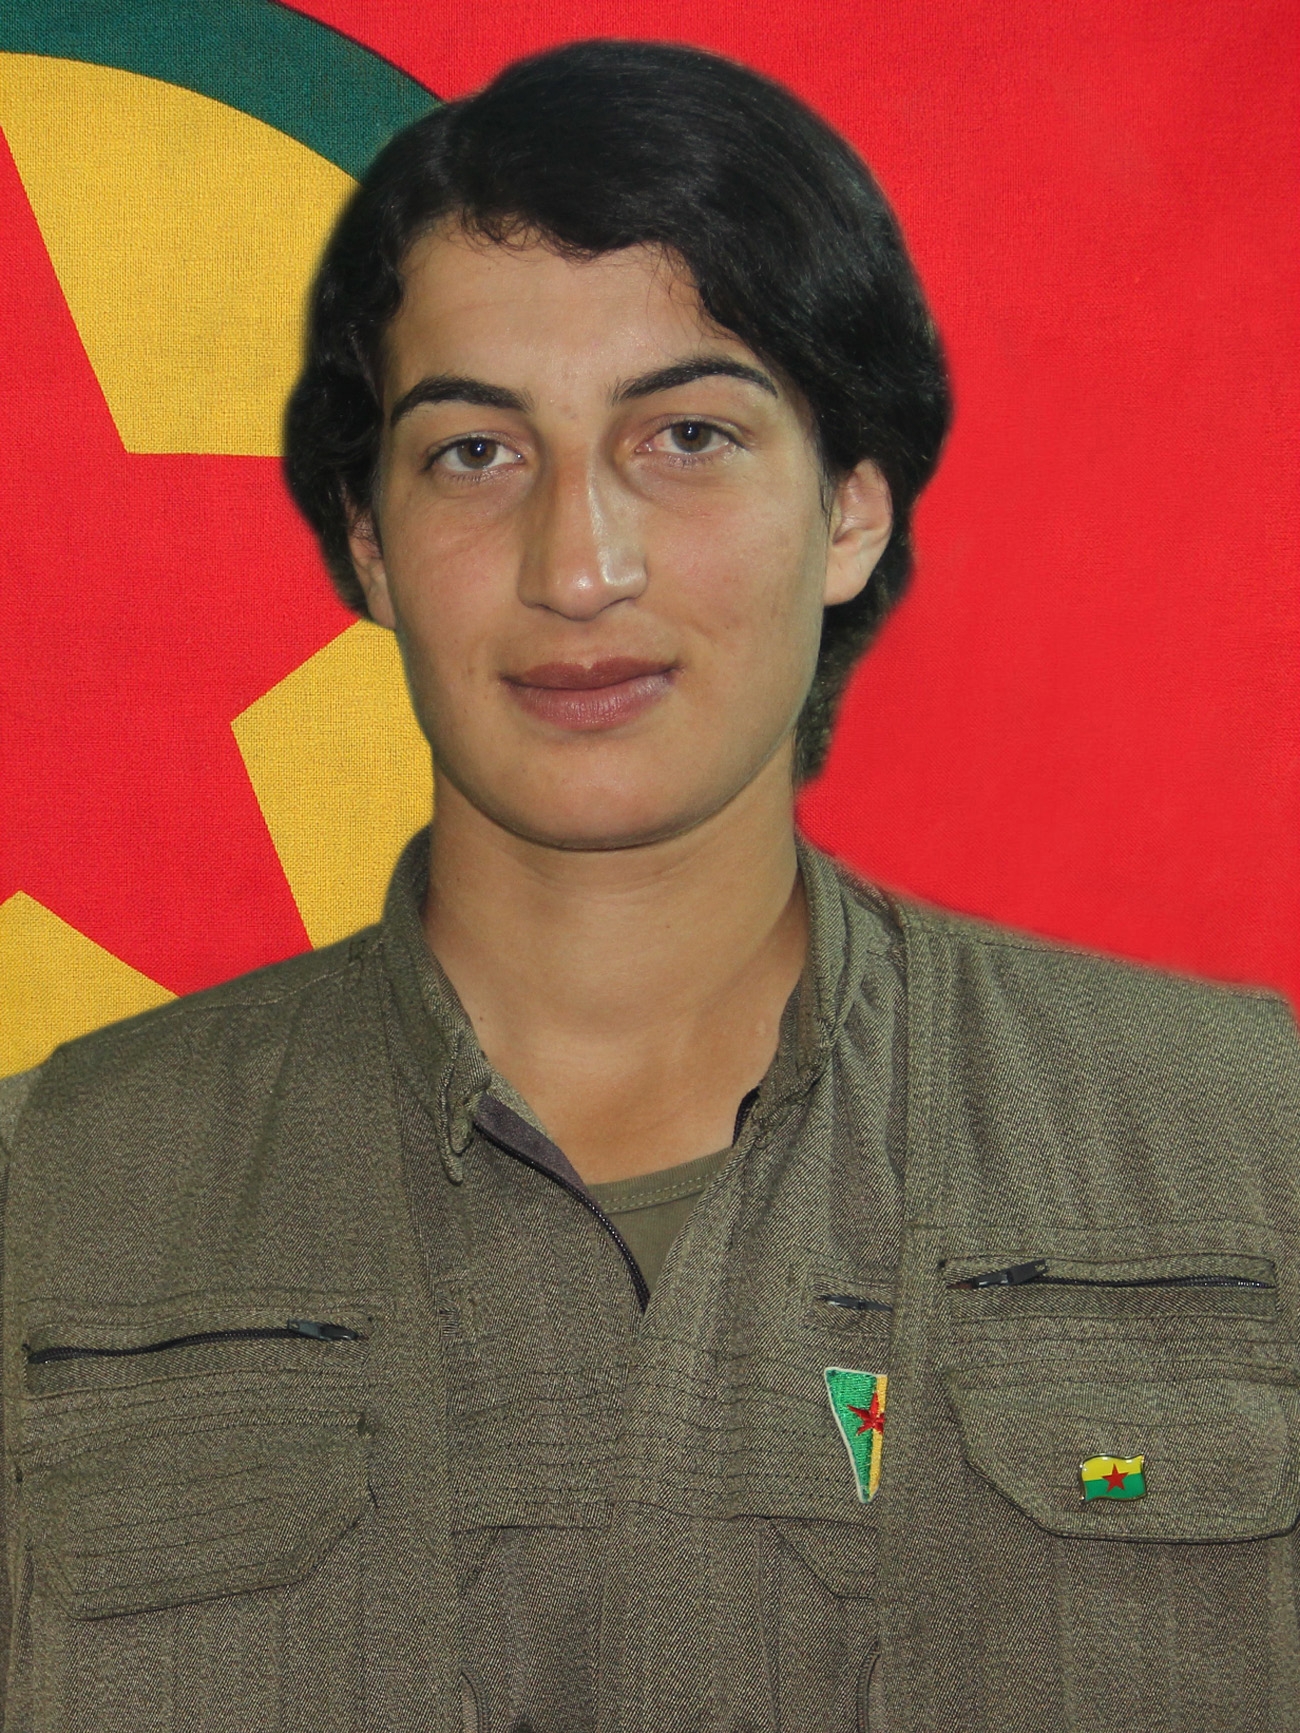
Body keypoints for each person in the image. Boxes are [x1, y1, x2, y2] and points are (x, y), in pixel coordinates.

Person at [0, 38, 1296, 1733]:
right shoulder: (49, 1201)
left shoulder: (1248, 1149)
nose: (579, 565)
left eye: (687, 434)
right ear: (371, 544)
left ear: (851, 508)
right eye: (476, 452)